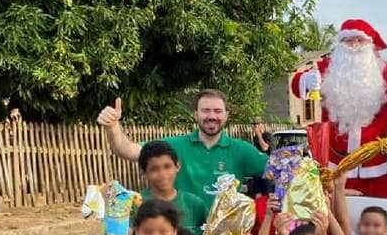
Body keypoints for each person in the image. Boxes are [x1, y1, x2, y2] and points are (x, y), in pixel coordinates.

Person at [292, 19, 387, 197]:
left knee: (375, 219)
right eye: (349, 40)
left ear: (370, 44)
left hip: (375, 168)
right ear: (340, 45)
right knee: (338, 219)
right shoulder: (327, 68)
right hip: (336, 168)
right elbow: (297, 85)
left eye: (360, 40)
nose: (355, 45)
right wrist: (305, 81)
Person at [96, 89, 267, 209]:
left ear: (226, 115)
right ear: (196, 115)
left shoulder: (241, 150)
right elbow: (127, 150)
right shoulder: (174, 146)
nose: (212, 116)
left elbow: (280, 169)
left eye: (217, 111)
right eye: (205, 110)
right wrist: (112, 127)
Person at [138, 142, 208, 235]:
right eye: (154, 169)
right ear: (143, 172)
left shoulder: (194, 204)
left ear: (177, 166)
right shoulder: (136, 204)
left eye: (167, 166)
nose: (162, 174)